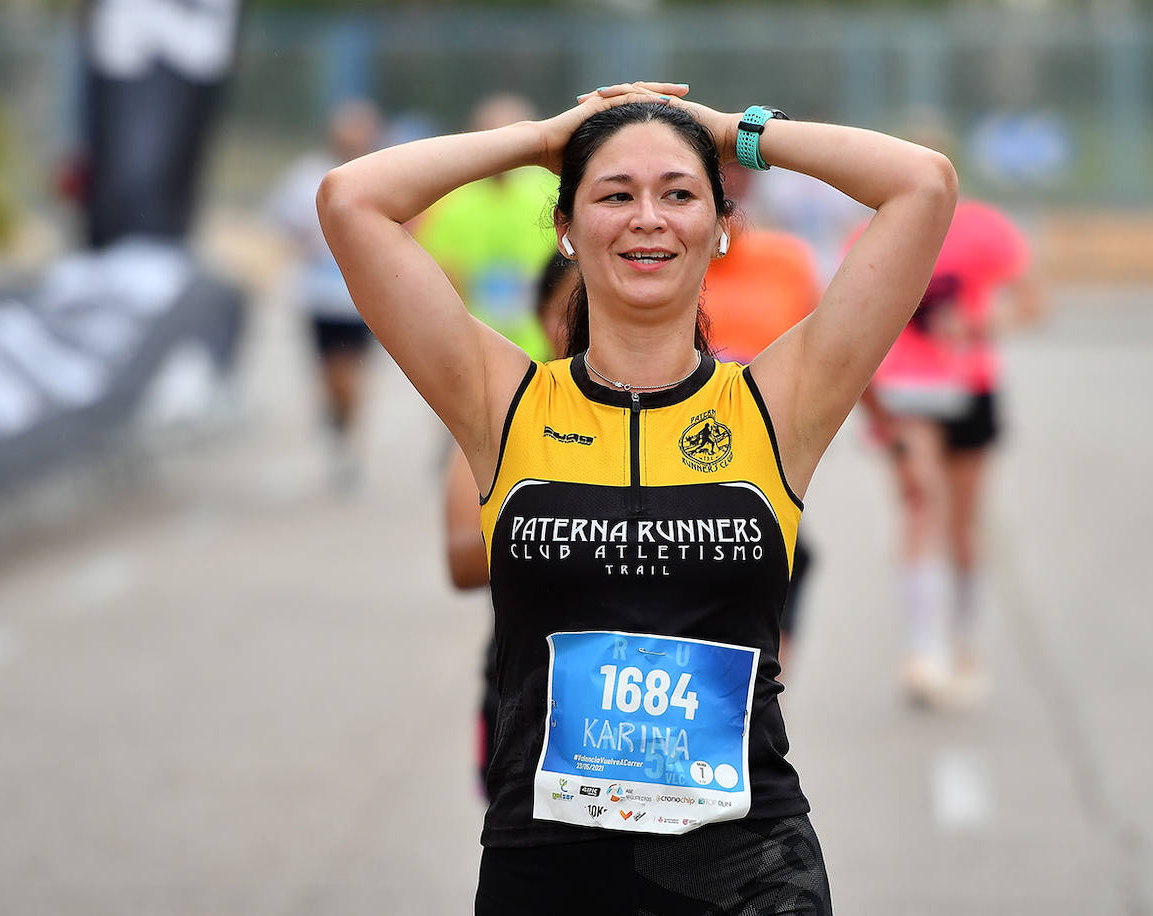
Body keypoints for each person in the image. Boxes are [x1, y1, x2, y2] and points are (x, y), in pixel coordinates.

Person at [318, 81, 956, 914]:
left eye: (680, 194)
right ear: (567, 229)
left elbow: (924, 185)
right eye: (613, 195)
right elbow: (352, 200)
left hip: (745, 872)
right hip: (546, 871)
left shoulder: (776, 407)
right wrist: (542, 138)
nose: (647, 218)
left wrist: (735, 132)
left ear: (723, 226)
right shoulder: (502, 403)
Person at [858, 193, 1043, 708]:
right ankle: (924, 651)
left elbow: (1031, 304)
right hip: (906, 388)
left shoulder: (986, 228)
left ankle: (962, 641)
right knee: (920, 503)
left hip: (968, 384)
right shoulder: (875, 231)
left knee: (963, 523)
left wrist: (978, 326)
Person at [444, 251, 578, 796]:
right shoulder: (507, 407)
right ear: (541, 318)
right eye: (568, 308)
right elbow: (461, 561)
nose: (586, 321)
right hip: (527, 694)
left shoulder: (701, 406)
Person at [703, 160, 823, 666]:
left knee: (787, 557)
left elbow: (829, 350)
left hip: (765, 445)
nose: (731, 187)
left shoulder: (786, 261)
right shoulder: (662, 261)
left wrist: (749, 134)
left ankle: (766, 688)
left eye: (737, 172)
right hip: (680, 446)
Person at [264, 99, 382, 490]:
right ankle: (336, 417)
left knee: (351, 373)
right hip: (319, 294)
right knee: (328, 372)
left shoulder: (382, 172)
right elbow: (281, 224)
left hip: (361, 294)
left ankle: (348, 433)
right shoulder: (305, 177)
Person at [414, 93, 559, 359]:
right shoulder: (452, 202)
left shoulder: (551, 192)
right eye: (492, 138)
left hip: (545, 347)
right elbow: (440, 277)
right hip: (476, 349)